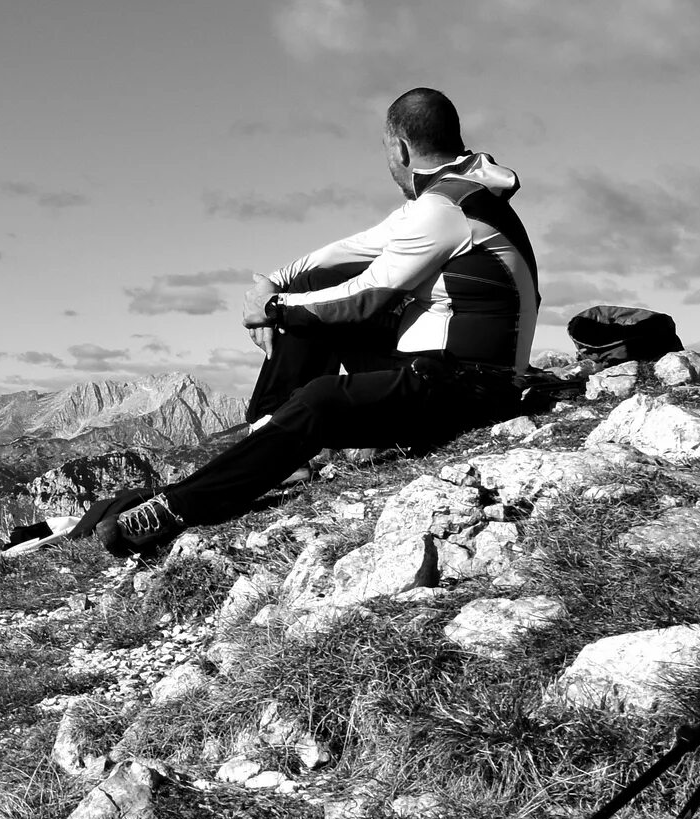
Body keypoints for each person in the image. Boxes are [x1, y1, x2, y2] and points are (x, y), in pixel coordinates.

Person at [81, 87, 538, 557]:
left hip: (471, 390)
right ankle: (272, 438)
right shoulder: (453, 197)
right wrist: (275, 286)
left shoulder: (444, 211)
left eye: (385, 153)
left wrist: (274, 308)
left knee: (319, 397)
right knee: (306, 316)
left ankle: (176, 508)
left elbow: (366, 296)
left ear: (399, 147)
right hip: (439, 371)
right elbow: (349, 250)